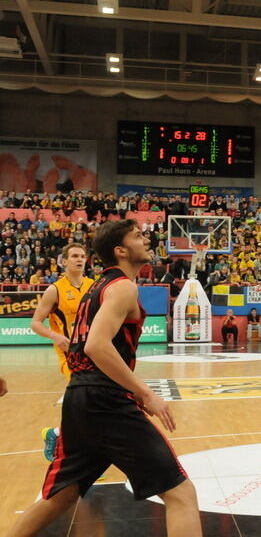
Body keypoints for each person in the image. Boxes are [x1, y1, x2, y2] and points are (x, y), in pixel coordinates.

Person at [7, 219, 200, 537]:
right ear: (121, 250)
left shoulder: (93, 289)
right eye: (138, 236)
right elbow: (97, 345)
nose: (146, 238)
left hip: (79, 396)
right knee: (181, 494)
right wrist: (145, 392)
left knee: (61, 495)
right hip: (105, 399)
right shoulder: (123, 286)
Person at [29, 242, 95, 461]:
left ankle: (55, 434)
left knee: (90, 400)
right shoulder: (54, 289)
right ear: (64, 261)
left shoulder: (93, 286)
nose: (79, 259)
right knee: (83, 398)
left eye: (83, 256)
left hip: (93, 350)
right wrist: (57, 337)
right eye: (75, 256)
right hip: (69, 353)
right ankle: (77, 453)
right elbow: (36, 323)